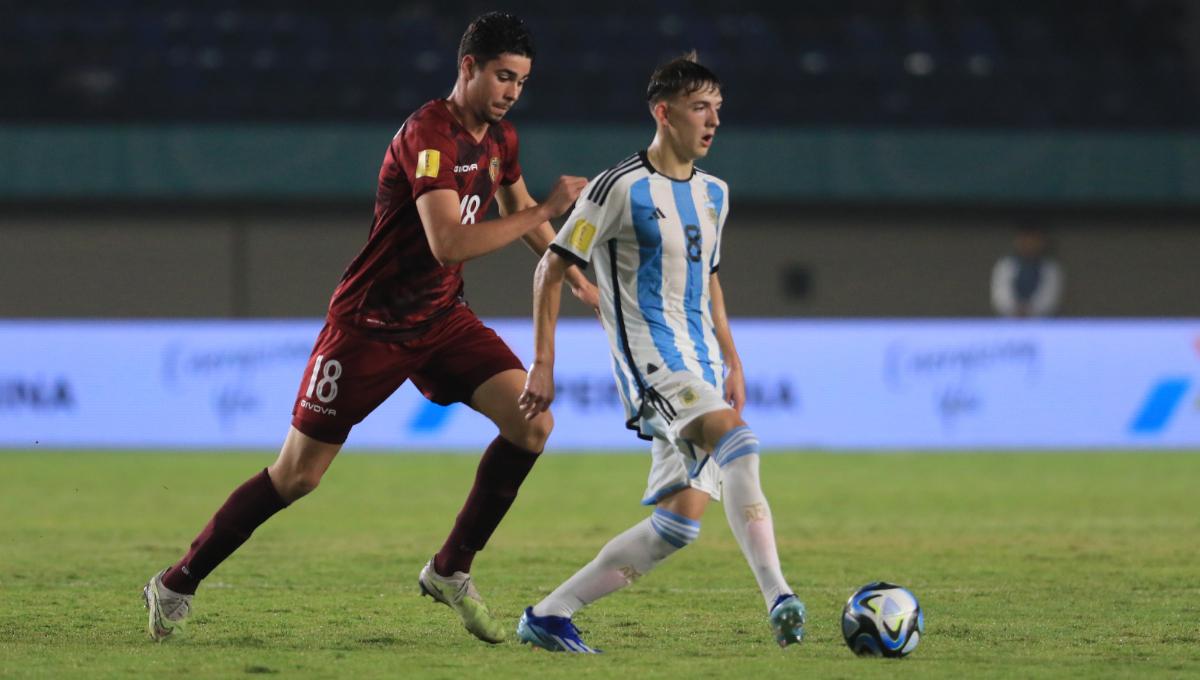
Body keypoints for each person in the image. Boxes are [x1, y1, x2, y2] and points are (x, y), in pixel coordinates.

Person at [142, 12, 596, 644]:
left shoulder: (500, 138)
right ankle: (175, 582)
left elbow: (517, 208)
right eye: (502, 76)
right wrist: (550, 210)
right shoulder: (428, 135)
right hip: (369, 327)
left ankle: (450, 569)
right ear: (468, 67)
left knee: (532, 422)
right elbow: (447, 241)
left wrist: (568, 269)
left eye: (520, 80)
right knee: (296, 476)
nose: (512, 91)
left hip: (440, 319)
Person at [514, 53, 805, 653]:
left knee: (678, 525)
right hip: (651, 364)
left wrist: (733, 358)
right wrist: (543, 361)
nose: (713, 121)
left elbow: (710, 280)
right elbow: (551, 266)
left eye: (718, 109)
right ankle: (779, 595)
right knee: (739, 441)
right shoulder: (617, 188)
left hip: (698, 364)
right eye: (701, 108)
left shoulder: (715, 194)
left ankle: (548, 615)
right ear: (663, 113)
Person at [991, 225, 1064, 317]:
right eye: (1025, 240)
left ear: (1041, 242)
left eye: (1033, 240)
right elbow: (1000, 296)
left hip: (1041, 322)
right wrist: (1015, 309)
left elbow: (1050, 299)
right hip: (1009, 321)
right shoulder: (1005, 264)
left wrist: (1030, 309)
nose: (1029, 244)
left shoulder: (1051, 268)